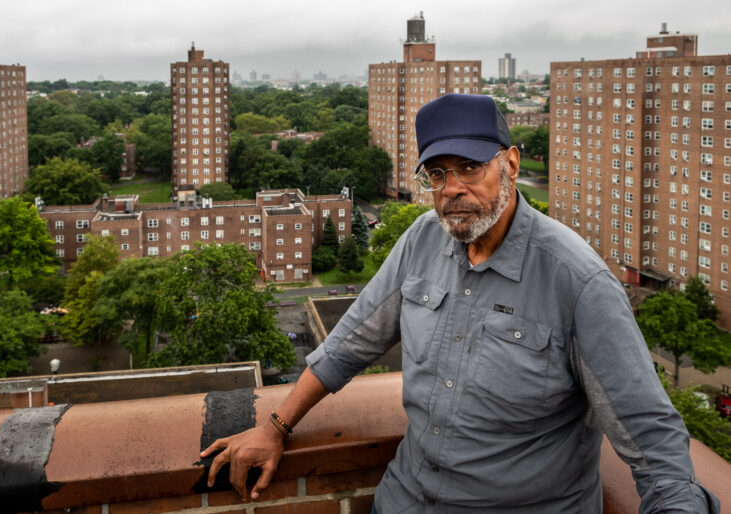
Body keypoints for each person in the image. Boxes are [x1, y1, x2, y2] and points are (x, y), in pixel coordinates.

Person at [201, 94, 720, 513]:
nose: (453, 189)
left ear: (510, 163)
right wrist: (275, 427)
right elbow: (349, 342)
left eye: (470, 168)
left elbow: (651, 441)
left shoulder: (576, 280)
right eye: (438, 173)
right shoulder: (421, 239)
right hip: (404, 499)